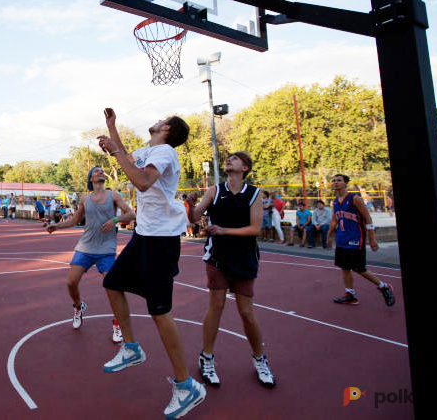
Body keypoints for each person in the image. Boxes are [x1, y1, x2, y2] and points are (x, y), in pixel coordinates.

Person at [97, 108, 206, 419]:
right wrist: (112, 130)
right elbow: (128, 159)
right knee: (112, 283)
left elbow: (142, 181)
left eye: (163, 119)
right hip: (144, 235)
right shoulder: (149, 150)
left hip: (161, 241)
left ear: (168, 129)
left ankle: (187, 386)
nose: (157, 120)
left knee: (160, 313)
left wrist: (117, 153)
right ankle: (131, 349)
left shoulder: (166, 152)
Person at [189, 152, 276, 389]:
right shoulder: (215, 191)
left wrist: (224, 230)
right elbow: (195, 217)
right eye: (228, 159)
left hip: (244, 258)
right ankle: (206, 358)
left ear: (245, 167)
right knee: (215, 307)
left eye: (235, 159)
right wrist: (191, 204)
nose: (229, 160)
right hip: (217, 257)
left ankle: (260, 359)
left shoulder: (254, 194)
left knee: (246, 313)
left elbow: (255, 228)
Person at [46, 166, 135, 342]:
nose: (100, 172)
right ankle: (79, 307)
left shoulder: (114, 196)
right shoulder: (85, 199)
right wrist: (56, 226)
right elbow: (75, 220)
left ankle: (117, 323)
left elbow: (131, 214)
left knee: (114, 288)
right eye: (96, 171)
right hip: (86, 246)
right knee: (71, 282)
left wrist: (115, 219)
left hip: (106, 249)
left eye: (102, 170)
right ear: (91, 179)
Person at [328, 174, 395, 306]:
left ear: (345, 183)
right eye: (334, 181)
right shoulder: (335, 201)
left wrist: (372, 238)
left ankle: (383, 286)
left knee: (359, 268)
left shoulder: (354, 198)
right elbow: (334, 220)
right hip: (342, 239)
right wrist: (329, 235)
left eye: (339, 181)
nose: (335, 183)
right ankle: (350, 294)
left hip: (355, 239)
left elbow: (368, 218)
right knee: (344, 267)